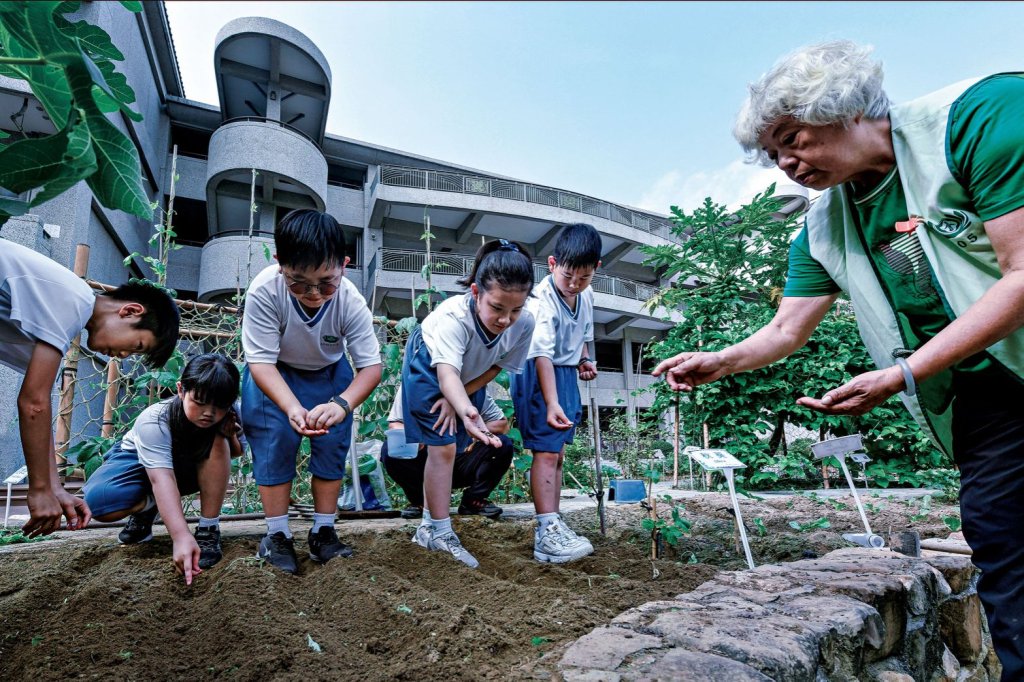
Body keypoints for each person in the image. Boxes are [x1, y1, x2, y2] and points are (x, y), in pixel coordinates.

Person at [654, 41, 1024, 676]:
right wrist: (722, 359)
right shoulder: (823, 225)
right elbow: (785, 329)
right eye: (774, 155)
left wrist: (906, 371)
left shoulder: (981, 118)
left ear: (845, 108)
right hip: (986, 398)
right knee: (1003, 544)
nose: (787, 164)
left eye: (794, 139)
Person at [0, 238, 179, 538]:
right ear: (130, 311)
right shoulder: (73, 300)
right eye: (136, 346)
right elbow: (33, 403)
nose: (123, 356)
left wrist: (54, 488)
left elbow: (38, 405)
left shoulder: (68, 305)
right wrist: (39, 489)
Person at [241, 209, 382, 574]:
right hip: (274, 373)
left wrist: (342, 404)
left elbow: (371, 367)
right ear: (279, 265)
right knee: (274, 444)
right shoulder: (264, 291)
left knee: (332, 446)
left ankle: (323, 531)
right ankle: (277, 535)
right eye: (298, 282)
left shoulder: (350, 300)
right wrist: (289, 406)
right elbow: (260, 362)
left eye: (326, 282)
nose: (314, 294)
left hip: (329, 374)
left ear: (344, 266)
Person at [401, 238, 535, 568]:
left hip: (468, 376)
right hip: (430, 363)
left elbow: (495, 367)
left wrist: (460, 402)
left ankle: (429, 529)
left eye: (515, 309)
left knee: (452, 444)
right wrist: (459, 404)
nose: (506, 319)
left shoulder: (525, 324)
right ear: (475, 292)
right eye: (497, 308)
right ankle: (438, 531)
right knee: (443, 446)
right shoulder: (452, 318)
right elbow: (446, 374)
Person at [82, 354, 242, 584]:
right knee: (100, 504)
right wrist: (180, 536)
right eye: (199, 402)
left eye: (219, 406)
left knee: (218, 440)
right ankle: (147, 508)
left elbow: (233, 453)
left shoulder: (231, 413)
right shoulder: (155, 418)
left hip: (185, 467)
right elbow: (161, 478)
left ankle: (208, 529)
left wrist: (229, 435)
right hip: (136, 463)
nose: (209, 412)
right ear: (180, 390)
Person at [510, 223, 600, 563]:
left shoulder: (586, 295)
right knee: (546, 453)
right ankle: (546, 531)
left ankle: (554, 522)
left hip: (565, 373)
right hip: (537, 373)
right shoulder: (540, 301)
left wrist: (586, 360)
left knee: (558, 453)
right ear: (551, 264)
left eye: (584, 278)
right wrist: (551, 403)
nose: (574, 285)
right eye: (567, 277)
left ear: (596, 271)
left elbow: (585, 335)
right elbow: (541, 354)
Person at [381, 386, 513, 521]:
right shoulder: (413, 383)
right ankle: (419, 501)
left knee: (502, 444)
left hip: (462, 457)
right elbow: (396, 424)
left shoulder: (473, 390)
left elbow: (502, 424)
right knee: (391, 449)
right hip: (426, 460)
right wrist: (420, 435)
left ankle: (474, 500)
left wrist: (472, 431)